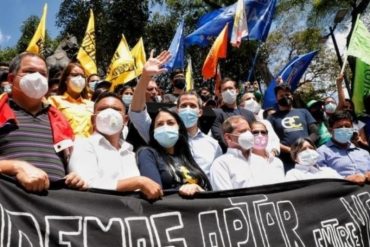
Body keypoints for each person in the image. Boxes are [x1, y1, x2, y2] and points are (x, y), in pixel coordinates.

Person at [0, 52, 86, 192]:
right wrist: (16, 167)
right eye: (30, 71)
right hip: (10, 205)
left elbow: (71, 165)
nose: (38, 77)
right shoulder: (1, 112)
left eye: (43, 74)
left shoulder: (60, 121)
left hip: (52, 207)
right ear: (11, 78)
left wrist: (76, 177)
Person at [130, 51, 222, 179]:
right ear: (177, 110)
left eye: (192, 106)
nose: (188, 109)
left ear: (200, 112)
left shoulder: (213, 145)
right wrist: (145, 77)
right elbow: (137, 113)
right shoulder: (161, 134)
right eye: (183, 106)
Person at [68, 92, 162, 200]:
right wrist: (138, 182)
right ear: (93, 120)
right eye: (103, 109)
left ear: (125, 120)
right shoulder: (82, 144)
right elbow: (87, 184)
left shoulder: (131, 153)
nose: (110, 113)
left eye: (116, 109)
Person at [210, 116, 284, 190]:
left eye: (249, 131)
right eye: (243, 131)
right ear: (228, 137)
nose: (249, 134)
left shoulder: (260, 161)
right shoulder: (222, 164)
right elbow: (225, 198)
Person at [268, 84, 318, 172]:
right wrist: (290, 150)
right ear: (276, 99)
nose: (285, 97)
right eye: (281, 95)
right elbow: (270, 139)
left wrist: (305, 145)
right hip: (286, 161)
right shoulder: (272, 117)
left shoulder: (304, 112)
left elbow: (315, 132)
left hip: (307, 156)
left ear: (292, 96)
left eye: (287, 94)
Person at [317, 110, 370, 183]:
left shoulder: (364, 153)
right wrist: (345, 179)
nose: (344, 129)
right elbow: (320, 180)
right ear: (330, 130)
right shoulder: (321, 153)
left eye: (347, 126)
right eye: (339, 127)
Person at [49, 62, 94, 137]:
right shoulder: (54, 100)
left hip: (89, 146)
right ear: (65, 80)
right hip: (66, 146)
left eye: (83, 76)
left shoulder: (91, 104)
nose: (79, 78)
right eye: (75, 75)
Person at [211, 77, 255, 153]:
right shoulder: (216, 113)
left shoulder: (249, 114)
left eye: (230, 88)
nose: (228, 91)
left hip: (250, 154)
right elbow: (219, 136)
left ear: (237, 91)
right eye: (224, 90)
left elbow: (255, 133)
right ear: (221, 94)